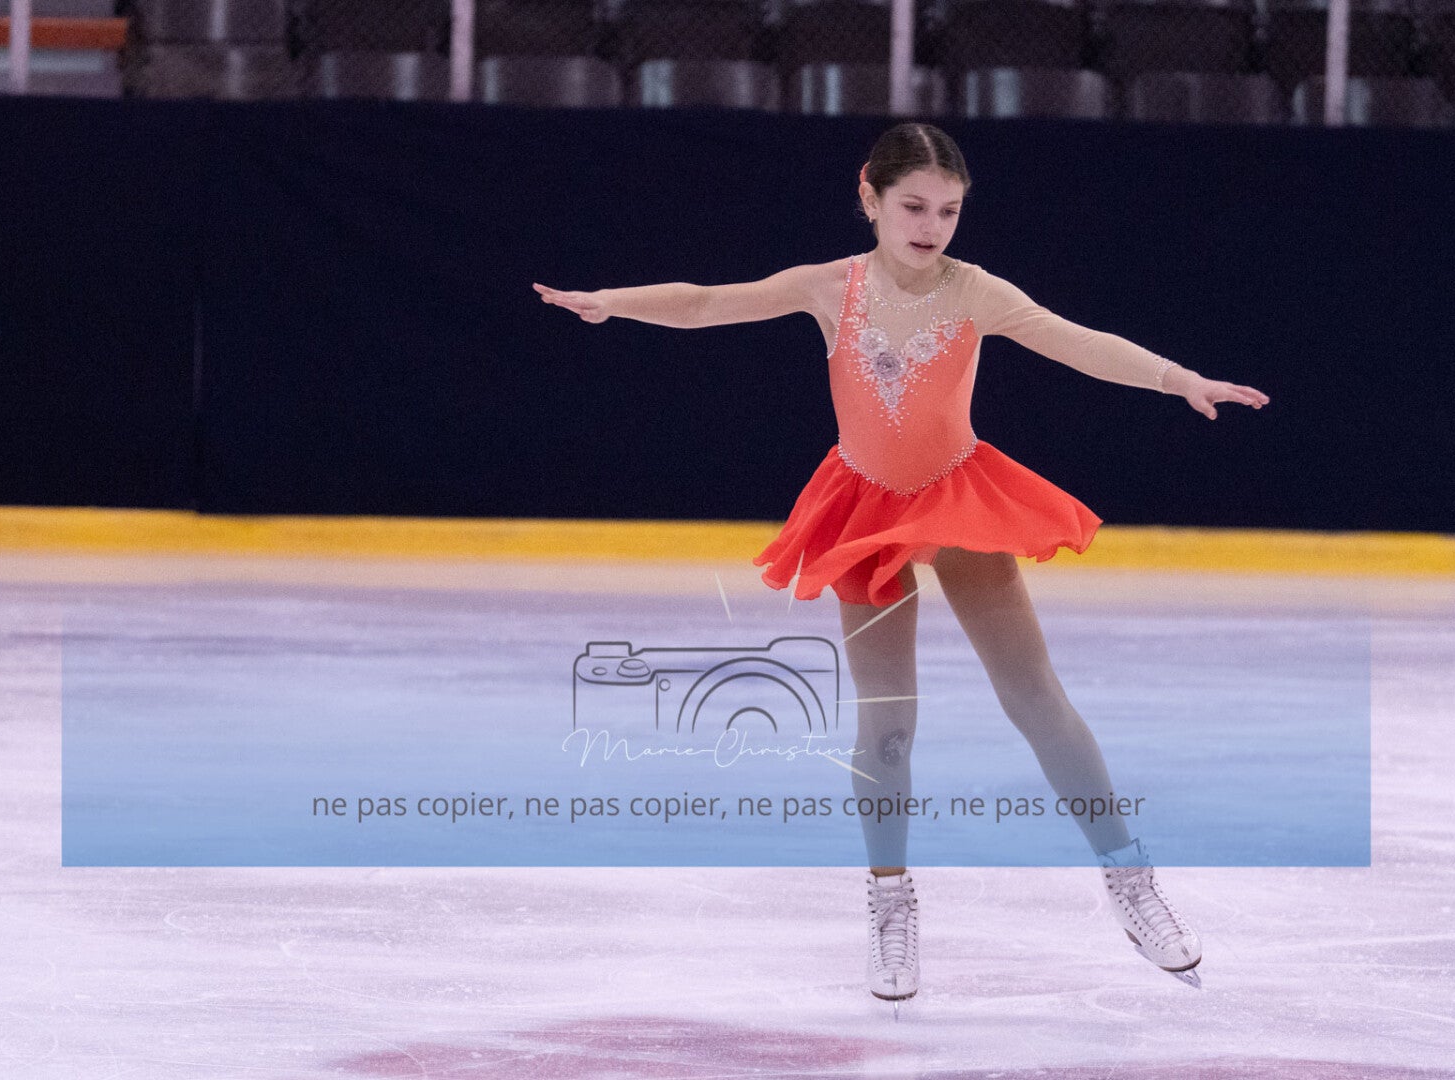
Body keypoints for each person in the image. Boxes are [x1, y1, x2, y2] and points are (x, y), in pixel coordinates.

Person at [534, 122, 1268, 1004]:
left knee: (1036, 699)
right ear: (870, 197)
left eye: (948, 211)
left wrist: (1178, 378)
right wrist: (611, 302)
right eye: (914, 206)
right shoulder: (829, 287)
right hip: (865, 509)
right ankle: (890, 903)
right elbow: (704, 302)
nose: (931, 226)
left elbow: (1078, 340)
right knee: (886, 724)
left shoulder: (975, 291)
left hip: (958, 496)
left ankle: (1129, 880)